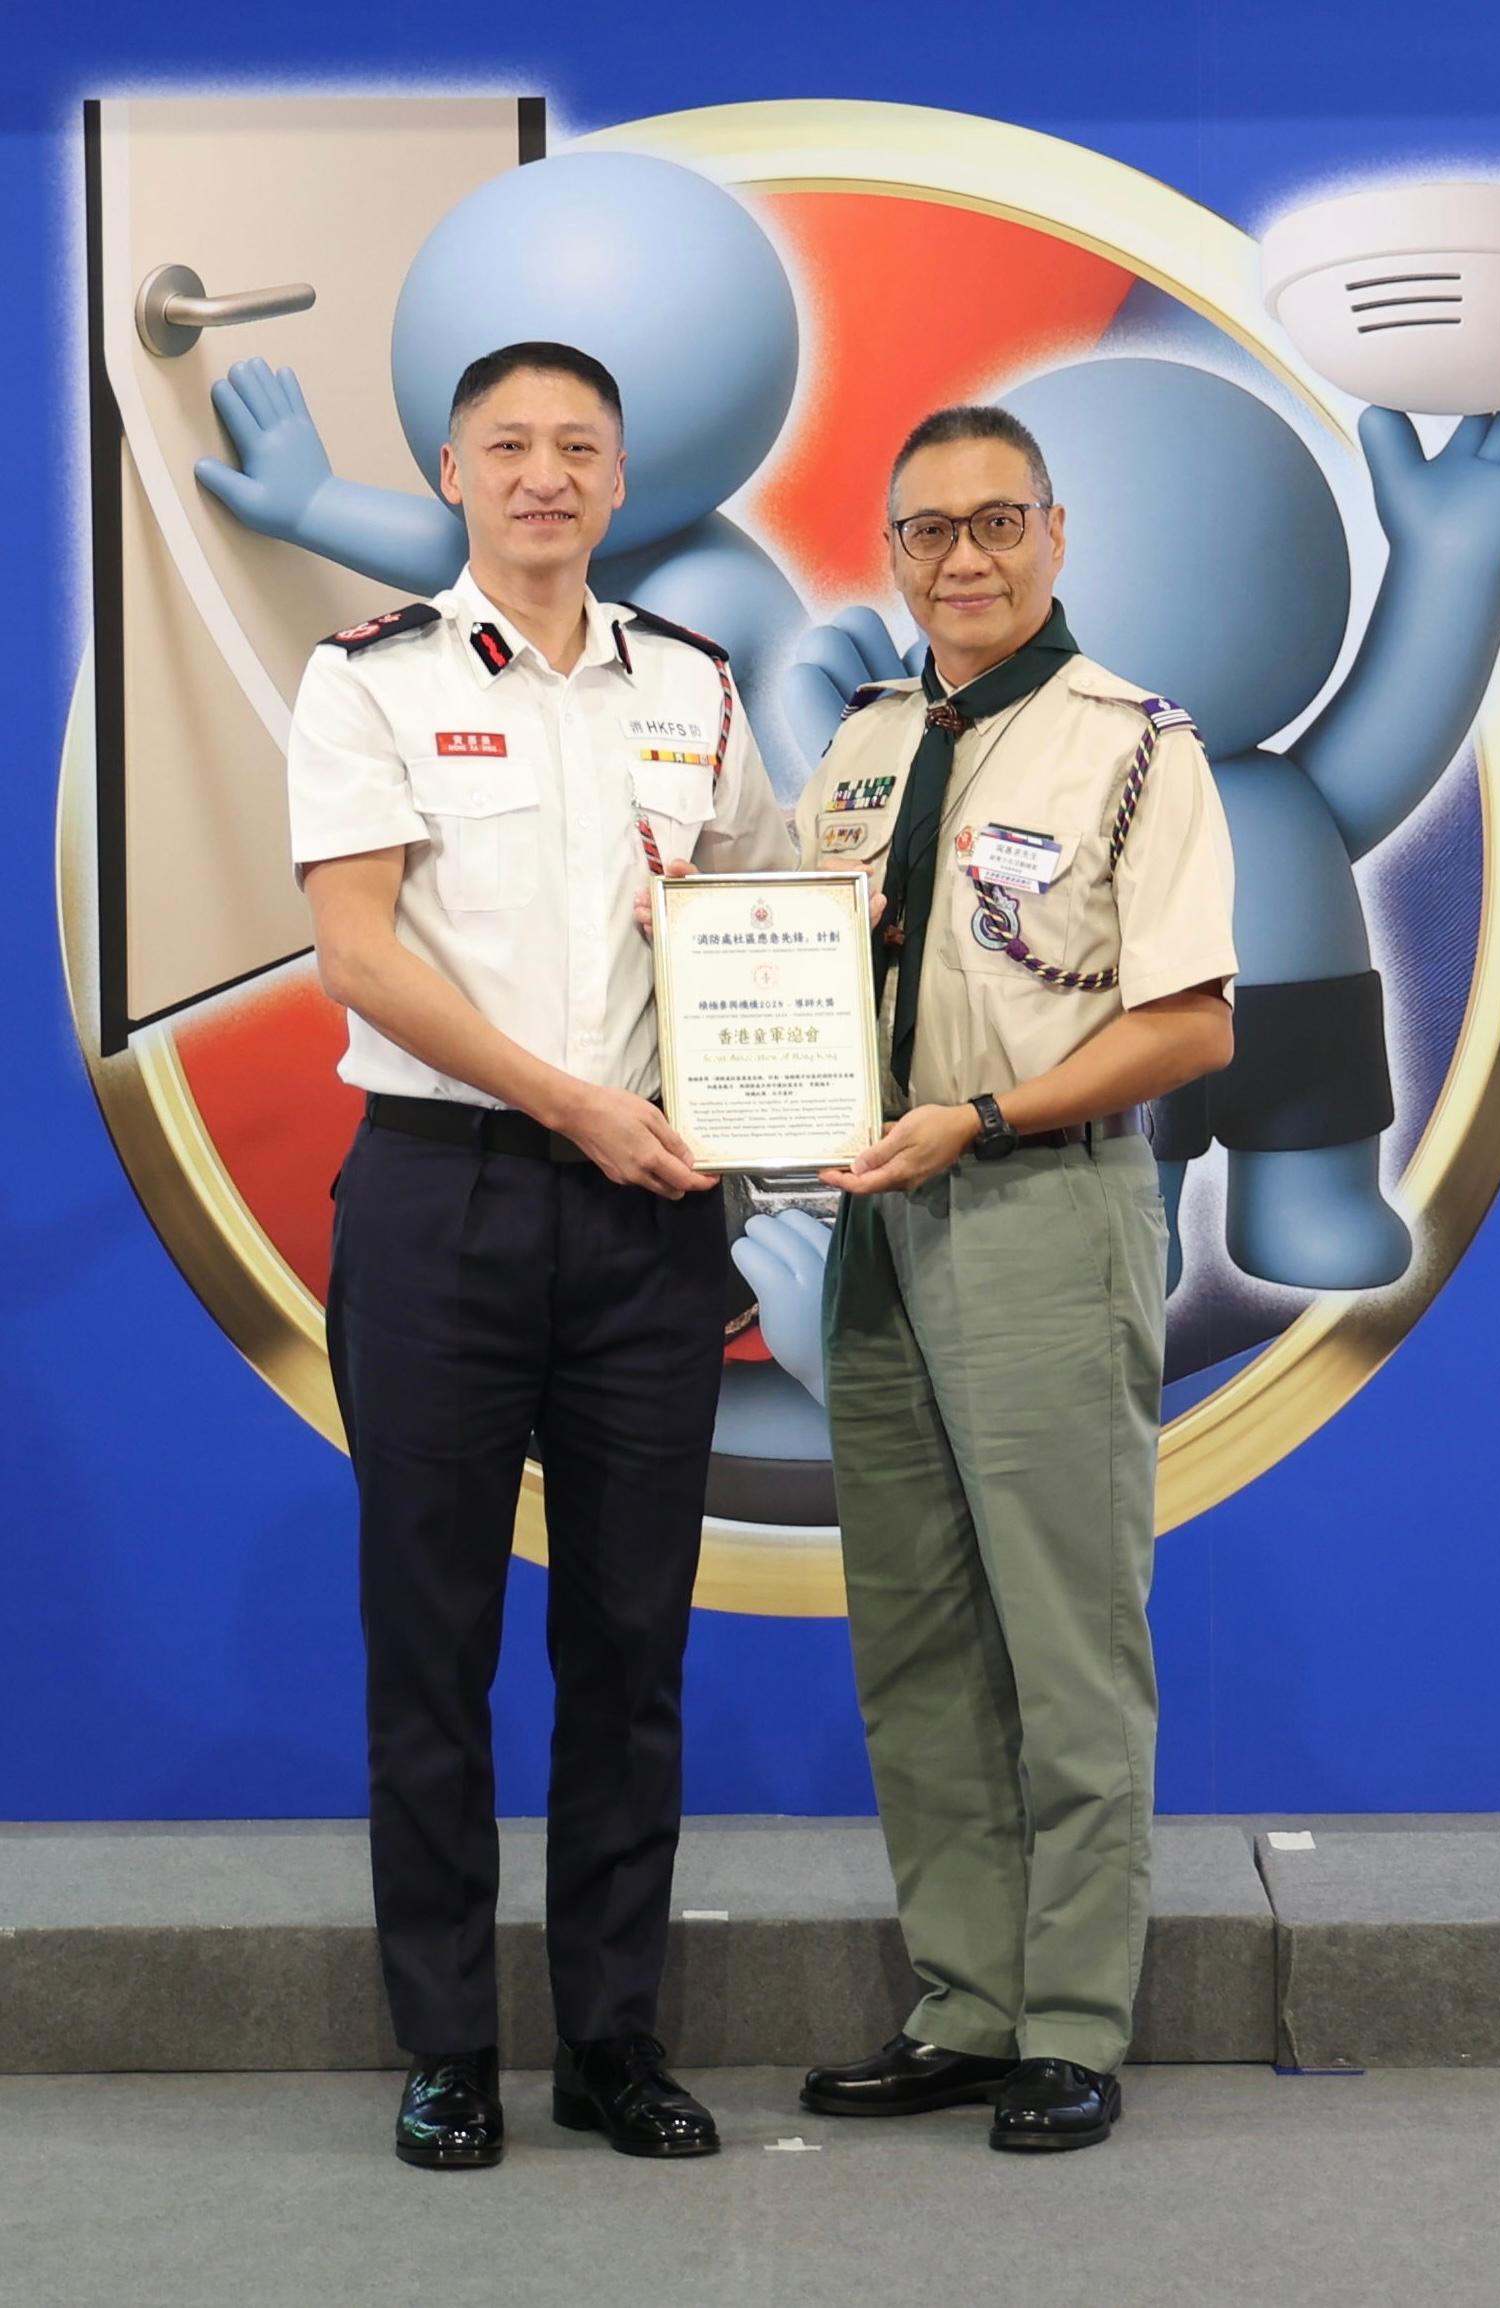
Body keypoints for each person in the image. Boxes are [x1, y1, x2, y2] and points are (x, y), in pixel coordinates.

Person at [287, 340, 793, 2168]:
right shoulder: (371, 681)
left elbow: (757, 918)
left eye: (578, 446)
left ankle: (610, 2038)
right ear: (450, 472)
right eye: (506, 444)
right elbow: (359, 955)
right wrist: (574, 1103)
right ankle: (444, 2046)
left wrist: (793, 1044)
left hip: (647, 1217)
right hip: (444, 1199)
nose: (543, 475)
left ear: (621, 476)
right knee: (430, 1640)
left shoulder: (694, 685)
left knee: (628, 1640)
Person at [793, 404, 1237, 2152]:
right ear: (891, 549)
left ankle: (1069, 2019)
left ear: (1056, 532)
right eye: (927, 530)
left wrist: (976, 1116)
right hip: (876, 1223)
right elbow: (792, 963)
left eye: (996, 523)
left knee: (1066, 1633)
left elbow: (1187, 1025)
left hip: (1041, 1203)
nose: (961, 559)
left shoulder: (1134, 747)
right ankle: (964, 2005)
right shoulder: (863, 744)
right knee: (913, 1634)